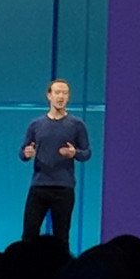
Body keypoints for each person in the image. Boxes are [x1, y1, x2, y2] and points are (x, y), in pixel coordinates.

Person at [20, 78, 91, 245]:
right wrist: (27, 153)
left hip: (64, 188)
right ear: (49, 96)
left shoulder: (77, 125)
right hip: (39, 186)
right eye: (57, 93)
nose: (61, 97)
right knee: (29, 234)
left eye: (65, 93)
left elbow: (87, 153)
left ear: (69, 97)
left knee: (61, 236)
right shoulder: (36, 124)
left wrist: (74, 153)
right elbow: (23, 153)